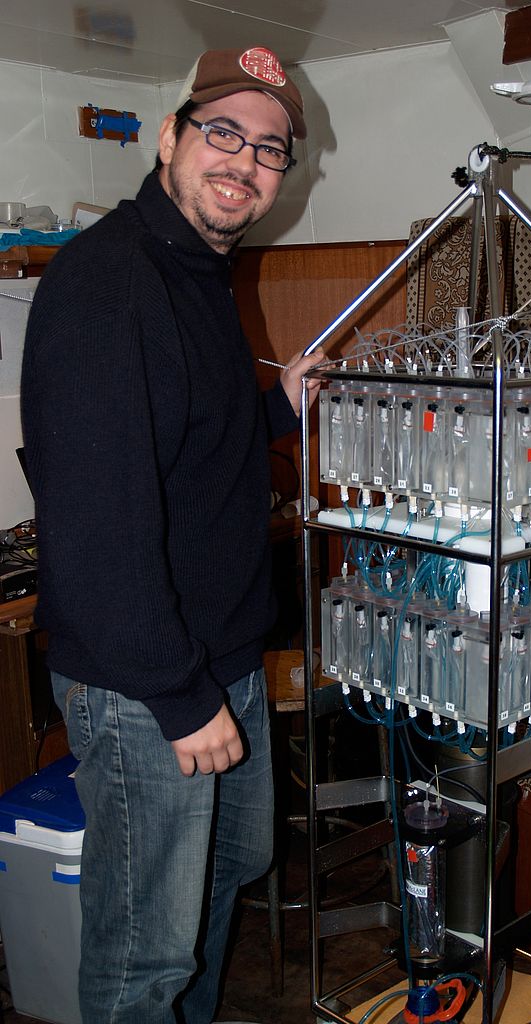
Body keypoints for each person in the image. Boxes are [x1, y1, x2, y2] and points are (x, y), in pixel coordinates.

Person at [20, 45, 324, 1024]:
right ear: (168, 139)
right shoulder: (110, 280)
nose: (243, 161)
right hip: (149, 679)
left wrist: (276, 404)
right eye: (221, 133)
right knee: (145, 954)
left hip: (215, 650)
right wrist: (184, 697)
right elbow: (99, 529)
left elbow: (188, 423)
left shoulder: (197, 268)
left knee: (231, 870)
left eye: (268, 148)